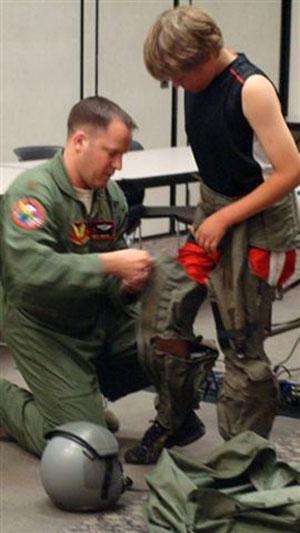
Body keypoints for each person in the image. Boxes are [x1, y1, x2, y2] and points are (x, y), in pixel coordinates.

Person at [124, 6, 300, 464]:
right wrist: (214, 217)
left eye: (179, 78)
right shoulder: (194, 78)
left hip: (258, 223)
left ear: (203, 57)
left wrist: (224, 219)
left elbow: (290, 172)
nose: (177, 87)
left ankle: (242, 460)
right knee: (163, 312)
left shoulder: (252, 89)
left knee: (240, 341)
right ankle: (177, 419)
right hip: (213, 212)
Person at [0, 96, 155, 456]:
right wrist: (111, 265)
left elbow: (113, 280)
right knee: (78, 444)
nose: (117, 165)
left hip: (95, 319)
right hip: (44, 326)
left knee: (173, 348)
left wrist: (127, 285)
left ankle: (77, 403)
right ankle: (12, 404)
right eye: (111, 153)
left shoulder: (110, 196)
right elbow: (30, 272)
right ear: (79, 141)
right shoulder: (33, 195)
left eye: (123, 156)